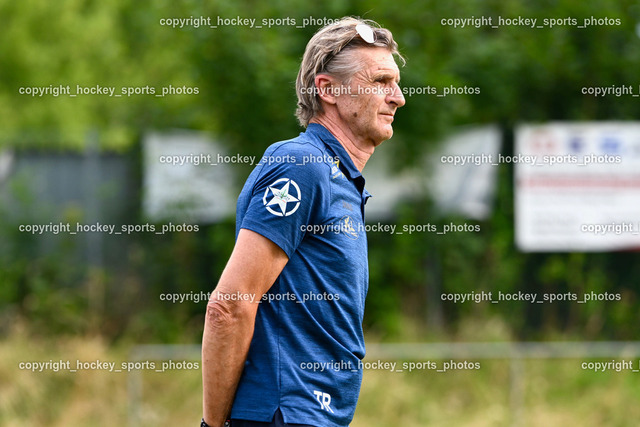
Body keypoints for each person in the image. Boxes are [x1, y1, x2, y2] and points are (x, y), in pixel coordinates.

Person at [201, 16, 406, 427]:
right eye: (381, 81)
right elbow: (230, 305)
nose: (398, 98)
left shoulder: (338, 177)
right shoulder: (302, 165)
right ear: (327, 89)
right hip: (285, 413)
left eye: (397, 83)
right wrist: (212, 425)